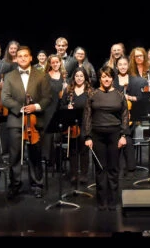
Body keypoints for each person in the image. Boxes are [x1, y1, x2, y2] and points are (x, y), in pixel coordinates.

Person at [1, 46, 53, 199]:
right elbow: (5, 98)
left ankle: (37, 184)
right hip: (16, 120)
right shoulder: (9, 76)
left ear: (31, 58)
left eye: (26, 56)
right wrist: (21, 108)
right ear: (15, 58)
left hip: (35, 121)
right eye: (20, 56)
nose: (23, 58)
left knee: (35, 155)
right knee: (15, 155)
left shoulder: (41, 75)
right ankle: (15, 185)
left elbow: (47, 97)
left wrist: (35, 107)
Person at [83, 66, 130, 210]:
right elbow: (87, 116)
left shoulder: (119, 95)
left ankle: (112, 201)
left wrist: (123, 135)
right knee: (100, 168)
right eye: (103, 76)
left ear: (113, 78)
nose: (106, 79)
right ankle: (102, 201)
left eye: (109, 76)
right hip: (97, 135)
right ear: (100, 78)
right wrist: (88, 136)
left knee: (113, 168)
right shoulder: (93, 94)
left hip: (115, 134)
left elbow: (125, 116)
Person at [113, 56, 145, 174]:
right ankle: (130, 166)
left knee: (125, 130)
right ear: (116, 66)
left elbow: (140, 98)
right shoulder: (113, 80)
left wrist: (129, 97)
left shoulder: (134, 80)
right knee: (126, 137)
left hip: (131, 115)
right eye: (120, 64)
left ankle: (120, 166)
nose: (122, 67)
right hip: (116, 115)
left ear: (128, 66)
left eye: (124, 64)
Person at [62, 68, 91, 189]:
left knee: (84, 150)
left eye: (81, 76)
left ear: (85, 78)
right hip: (72, 125)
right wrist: (66, 108)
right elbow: (61, 104)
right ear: (74, 77)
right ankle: (73, 174)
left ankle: (84, 174)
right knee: (73, 150)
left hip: (85, 124)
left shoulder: (90, 91)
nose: (79, 78)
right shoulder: (69, 90)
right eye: (77, 76)